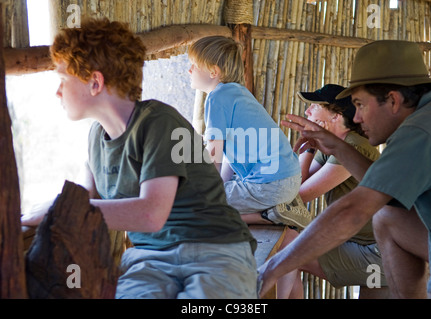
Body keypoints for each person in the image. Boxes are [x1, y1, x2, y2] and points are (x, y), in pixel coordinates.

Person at [21, 18, 259, 299]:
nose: (57, 92)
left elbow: (151, 214)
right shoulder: (96, 138)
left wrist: (58, 209)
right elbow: (86, 199)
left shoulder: (159, 121)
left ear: (95, 82)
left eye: (62, 80)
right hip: (150, 260)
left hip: (215, 251)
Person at [258, 40, 431, 299]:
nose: (356, 118)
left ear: (393, 100)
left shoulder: (420, 131)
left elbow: (353, 211)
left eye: (359, 104)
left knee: (383, 217)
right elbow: (390, 191)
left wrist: (270, 269)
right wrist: (337, 147)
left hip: (374, 255)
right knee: (389, 218)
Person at [276, 84, 388, 299]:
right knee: (290, 248)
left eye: (314, 107)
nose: (307, 112)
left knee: (288, 248)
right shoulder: (335, 145)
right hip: (364, 245)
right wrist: (308, 147)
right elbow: (295, 185)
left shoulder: (353, 147)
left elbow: (297, 197)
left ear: (336, 115)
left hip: (377, 253)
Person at [187, 35, 309, 229]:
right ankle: (271, 212)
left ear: (213, 71)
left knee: (195, 203)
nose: (189, 70)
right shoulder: (237, 93)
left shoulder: (217, 98)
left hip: (269, 185)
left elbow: (214, 153)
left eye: (194, 64)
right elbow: (227, 156)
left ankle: (269, 215)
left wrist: (207, 191)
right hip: (288, 179)